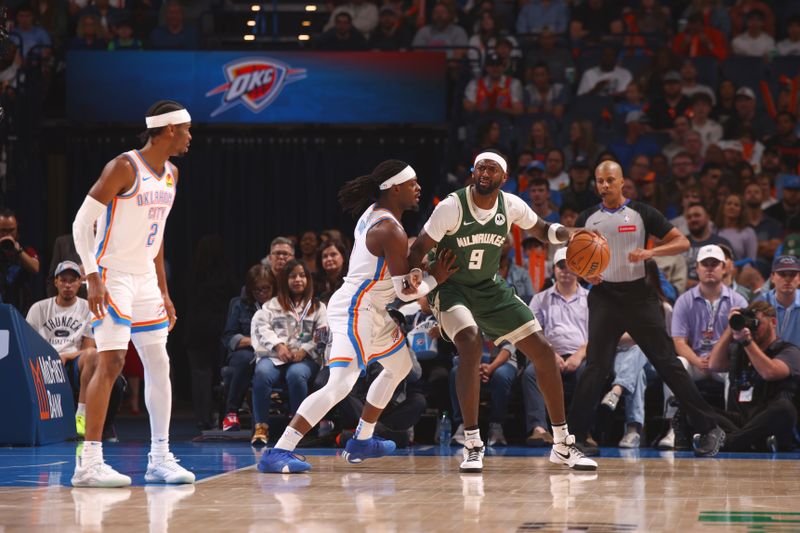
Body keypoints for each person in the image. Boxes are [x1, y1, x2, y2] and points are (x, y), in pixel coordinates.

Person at [260, 160, 456, 473]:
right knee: (339, 385)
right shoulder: (389, 229)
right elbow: (406, 292)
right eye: (412, 183)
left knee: (400, 365)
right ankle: (279, 449)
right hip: (355, 310)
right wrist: (436, 279)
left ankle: (362, 440)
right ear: (394, 188)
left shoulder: (376, 214)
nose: (419, 188)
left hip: (372, 309)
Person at [409, 151, 597, 472]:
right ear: (473, 172)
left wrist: (574, 233)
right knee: (469, 341)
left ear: (503, 177)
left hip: (489, 287)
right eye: (480, 166)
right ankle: (472, 443)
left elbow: (544, 231)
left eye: (491, 168)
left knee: (543, 351)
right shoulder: (452, 206)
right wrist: (422, 278)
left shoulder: (510, 205)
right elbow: (417, 250)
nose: (484, 172)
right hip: (451, 286)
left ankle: (563, 443)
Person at [70, 100, 194, 487]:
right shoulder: (124, 167)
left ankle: (159, 458)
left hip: (144, 278)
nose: (191, 137)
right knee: (111, 362)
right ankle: (88, 464)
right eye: (187, 130)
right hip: (112, 274)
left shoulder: (172, 174)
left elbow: (156, 239)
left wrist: (165, 291)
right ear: (169, 130)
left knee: (160, 363)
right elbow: (81, 224)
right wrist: (92, 276)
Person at [567, 160, 726, 457]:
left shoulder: (641, 213)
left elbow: (681, 242)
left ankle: (710, 428)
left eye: (610, 180)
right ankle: (574, 437)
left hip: (640, 296)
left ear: (622, 182)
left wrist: (651, 251)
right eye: (599, 181)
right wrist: (585, 274)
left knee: (667, 362)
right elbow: (575, 256)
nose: (604, 186)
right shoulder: (587, 217)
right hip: (603, 295)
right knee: (596, 367)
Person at [659, 245, 749, 449]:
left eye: (714, 264)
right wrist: (696, 360)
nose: (710, 268)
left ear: (724, 268)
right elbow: (679, 341)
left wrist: (719, 359)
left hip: (725, 362)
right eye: (705, 264)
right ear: (697, 269)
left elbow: (741, 339)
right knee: (677, 364)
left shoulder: (738, 300)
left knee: (736, 369)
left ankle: (731, 429)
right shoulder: (684, 301)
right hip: (695, 361)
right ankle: (673, 427)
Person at [250, 260, 327, 446]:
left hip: (305, 359)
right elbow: (261, 328)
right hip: (276, 356)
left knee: (296, 374)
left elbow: (323, 333)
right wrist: (278, 346)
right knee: (262, 372)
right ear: (285, 280)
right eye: (292, 276)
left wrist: (305, 349)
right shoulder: (271, 305)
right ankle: (261, 427)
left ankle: (296, 427)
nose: (297, 280)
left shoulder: (318, 307)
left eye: (302, 276)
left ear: (308, 280)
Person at [707, 301, 800, 452]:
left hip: (769, 421)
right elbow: (714, 365)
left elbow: (769, 372)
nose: (752, 328)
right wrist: (730, 328)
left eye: (756, 323)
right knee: (697, 408)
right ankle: (749, 441)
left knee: (785, 409)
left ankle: (730, 441)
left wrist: (747, 341)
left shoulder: (790, 351)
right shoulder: (739, 349)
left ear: (773, 322)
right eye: (749, 324)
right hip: (741, 420)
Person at [523, 247, 587, 448]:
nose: (566, 270)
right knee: (531, 373)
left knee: (590, 374)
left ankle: (582, 430)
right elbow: (534, 332)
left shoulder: (590, 298)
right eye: (561, 266)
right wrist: (551, 354)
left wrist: (579, 355)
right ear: (554, 269)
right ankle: (539, 429)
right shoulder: (540, 299)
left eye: (571, 266)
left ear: (578, 270)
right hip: (548, 354)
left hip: (581, 355)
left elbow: (597, 335)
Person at [26, 261, 98, 438]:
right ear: (55, 282)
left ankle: (81, 415)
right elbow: (27, 344)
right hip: (43, 363)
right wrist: (52, 357)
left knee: (94, 356)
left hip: (73, 361)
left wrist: (65, 356)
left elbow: (89, 349)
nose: (67, 285)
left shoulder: (88, 308)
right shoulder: (39, 308)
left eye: (72, 280)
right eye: (63, 280)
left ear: (80, 282)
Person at [220, 264, 273, 432]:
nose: (262, 293)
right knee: (244, 359)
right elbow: (229, 337)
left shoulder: (280, 304)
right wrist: (255, 341)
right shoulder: (239, 304)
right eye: (257, 290)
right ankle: (231, 412)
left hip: (274, 351)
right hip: (247, 351)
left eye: (266, 289)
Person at [0, 208, 41, 314]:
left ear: (17, 230)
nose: (7, 234)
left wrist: (18, 250)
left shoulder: (26, 250)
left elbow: (35, 268)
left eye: (11, 230)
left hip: (21, 309)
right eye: (3, 230)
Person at [754, 256, 800, 347]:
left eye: (792, 275)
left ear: (799, 279)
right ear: (772, 277)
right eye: (782, 274)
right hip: (767, 357)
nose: (787, 279)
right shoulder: (761, 302)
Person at [314, 239, 348, 303]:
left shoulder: (350, 281)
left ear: (343, 257)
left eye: (333, 254)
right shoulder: (315, 282)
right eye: (325, 256)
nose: (329, 259)